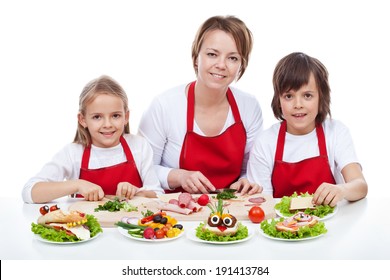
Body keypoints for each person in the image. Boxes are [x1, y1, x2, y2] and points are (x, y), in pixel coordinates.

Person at [138, 15, 263, 195]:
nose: (221, 65)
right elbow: (143, 170)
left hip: (229, 209)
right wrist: (179, 176)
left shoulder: (249, 107)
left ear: (241, 64)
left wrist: (245, 181)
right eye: (212, 54)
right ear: (196, 58)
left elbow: (251, 169)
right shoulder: (164, 106)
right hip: (175, 214)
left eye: (233, 58)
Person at [247, 52, 368, 206]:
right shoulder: (266, 142)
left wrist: (342, 190)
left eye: (307, 96)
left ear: (321, 98)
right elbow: (263, 204)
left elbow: (360, 185)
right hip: (282, 226)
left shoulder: (336, 132)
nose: (298, 104)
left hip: (332, 225)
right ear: (278, 100)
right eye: (289, 96)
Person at [22, 75, 162, 203]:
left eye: (115, 116)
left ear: (126, 117)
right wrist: (77, 184)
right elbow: (29, 192)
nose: (107, 124)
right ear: (82, 120)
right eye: (97, 117)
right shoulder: (73, 153)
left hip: (131, 228)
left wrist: (136, 192)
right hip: (86, 228)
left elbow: (157, 194)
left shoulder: (139, 146)